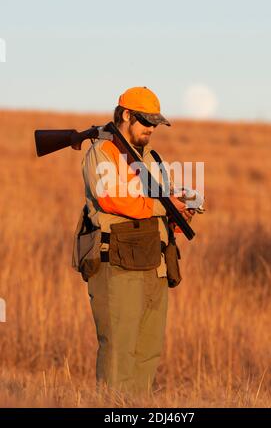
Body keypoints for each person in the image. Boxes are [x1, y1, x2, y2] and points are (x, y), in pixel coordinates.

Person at [82, 86, 194, 397]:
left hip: (153, 265)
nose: (151, 129)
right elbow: (113, 198)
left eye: (155, 124)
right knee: (119, 349)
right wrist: (164, 204)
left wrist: (182, 212)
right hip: (117, 265)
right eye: (146, 121)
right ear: (126, 115)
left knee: (148, 351)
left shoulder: (152, 159)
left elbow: (159, 212)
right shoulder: (103, 153)